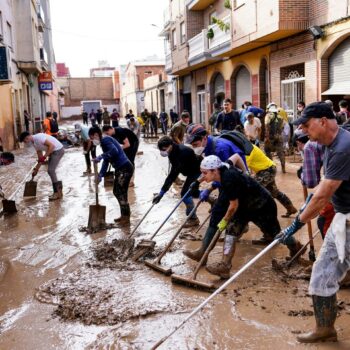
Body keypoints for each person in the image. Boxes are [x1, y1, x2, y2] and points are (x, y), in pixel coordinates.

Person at [279, 101, 350, 344]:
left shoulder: (342, 147)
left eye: (307, 127)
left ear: (323, 121)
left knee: (326, 271)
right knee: (323, 272)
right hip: (343, 217)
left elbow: (324, 194)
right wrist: (307, 205)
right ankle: (325, 328)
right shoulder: (329, 145)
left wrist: (296, 223)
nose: (304, 133)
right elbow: (322, 185)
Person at [184, 155, 303, 278]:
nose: (203, 176)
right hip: (244, 207)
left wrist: (224, 220)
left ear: (215, 170)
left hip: (261, 206)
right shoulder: (222, 169)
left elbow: (233, 205)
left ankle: (296, 246)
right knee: (231, 232)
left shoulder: (229, 178)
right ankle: (224, 265)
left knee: (275, 234)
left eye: (204, 173)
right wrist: (198, 182)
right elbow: (214, 181)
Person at [230, 144, 297, 218]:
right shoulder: (248, 146)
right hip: (268, 168)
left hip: (266, 170)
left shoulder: (247, 150)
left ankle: (261, 214)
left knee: (252, 191)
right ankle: (290, 208)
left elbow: (243, 167)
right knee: (274, 192)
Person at [153, 136, 201, 227]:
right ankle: (211, 198)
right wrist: (161, 193)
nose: (163, 151)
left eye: (164, 149)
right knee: (193, 193)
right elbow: (173, 173)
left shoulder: (182, 152)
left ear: (170, 145)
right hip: (188, 170)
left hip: (195, 171)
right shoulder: (172, 151)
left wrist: (162, 193)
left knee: (185, 194)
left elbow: (172, 175)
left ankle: (193, 218)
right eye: (161, 150)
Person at [88, 127, 134, 224]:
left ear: (96, 134)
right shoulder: (104, 142)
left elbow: (114, 151)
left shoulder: (105, 140)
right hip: (121, 168)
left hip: (124, 168)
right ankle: (124, 216)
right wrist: (101, 175)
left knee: (119, 192)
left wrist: (100, 156)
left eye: (92, 138)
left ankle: (126, 217)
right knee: (119, 192)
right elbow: (107, 160)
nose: (92, 141)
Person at [294, 130, 334, 239]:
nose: (298, 150)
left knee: (324, 221)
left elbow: (310, 182)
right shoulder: (336, 136)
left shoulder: (310, 146)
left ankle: (335, 254)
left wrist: (302, 175)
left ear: (298, 142)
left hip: (339, 195)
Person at [19, 131, 64, 201]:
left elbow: (52, 146)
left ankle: (56, 193)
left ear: (27, 137)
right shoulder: (34, 143)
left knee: (51, 171)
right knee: (51, 171)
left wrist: (45, 156)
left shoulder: (39, 138)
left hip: (58, 150)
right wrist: (36, 169)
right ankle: (59, 192)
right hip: (52, 152)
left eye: (25, 141)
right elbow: (40, 158)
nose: (26, 143)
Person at [264, 104, 286, 173]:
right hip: (279, 136)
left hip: (270, 137)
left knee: (267, 150)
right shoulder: (281, 117)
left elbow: (267, 126)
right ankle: (283, 168)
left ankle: (271, 167)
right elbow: (282, 128)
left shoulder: (268, 116)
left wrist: (267, 138)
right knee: (280, 153)